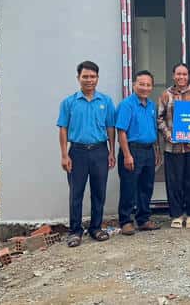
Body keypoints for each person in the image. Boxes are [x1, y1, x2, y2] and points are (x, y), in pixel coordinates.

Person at [56, 61, 116, 247]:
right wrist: (64, 155)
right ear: (78, 78)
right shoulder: (69, 102)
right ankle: (75, 231)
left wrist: (112, 151)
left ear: (97, 78)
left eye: (92, 76)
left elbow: (110, 128)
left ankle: (96, 228)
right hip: (77, 152)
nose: (89, 80)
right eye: (85, 77)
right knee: (76, 193)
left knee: (99, 192)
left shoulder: (105, 101)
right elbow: (63, 129)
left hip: (100, 151)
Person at [157, 62, 190, 229]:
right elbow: (159, 118)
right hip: (173, 147)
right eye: (178, 74)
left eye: (184, 74)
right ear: (173, 76)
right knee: (174, 181)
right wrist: (167, 134)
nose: (181, 77)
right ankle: (177, 214)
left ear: (188, 76)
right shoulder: (165, 95)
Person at [116, 70, 162, 235]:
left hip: (148, 150)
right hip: (132, 150)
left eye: (148, 85)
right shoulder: (127, 105)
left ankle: (143, 219)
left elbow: (153, 130)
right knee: (129, 187)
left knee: (146, 186)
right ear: (134, 85)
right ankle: (126, 221)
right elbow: (121, 131)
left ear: (152, 87)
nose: (144, 87)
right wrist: (127, 155)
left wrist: (156, 150)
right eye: (141, 84)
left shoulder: (151, 106)